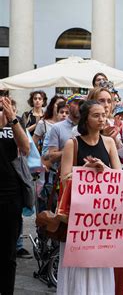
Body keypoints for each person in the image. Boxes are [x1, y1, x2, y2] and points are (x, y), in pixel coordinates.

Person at [57, 100, 121, 294]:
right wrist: (84, 171)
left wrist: (105, 169)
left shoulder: (109, 142)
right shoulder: (72, 143)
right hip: (79, 216)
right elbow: (64, 178)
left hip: (102, 215)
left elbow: (119, 175)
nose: (102, 119)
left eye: (104, 115)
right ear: (86, 118)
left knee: (100, 263)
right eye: (96, 115)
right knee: (78, 265)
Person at [0, 89, 30, 295]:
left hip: (10, 193)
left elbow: (25, 147)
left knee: (8, 252)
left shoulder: (15, 121)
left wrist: (12, 119)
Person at [88, 87, 123, 166]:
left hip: (116, 175)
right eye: (101, 101)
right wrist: (102, 137)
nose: (106, 105)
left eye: (109, 101)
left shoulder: (121, 125)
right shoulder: (79, 129)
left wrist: (116, 141)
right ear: (91, 103)